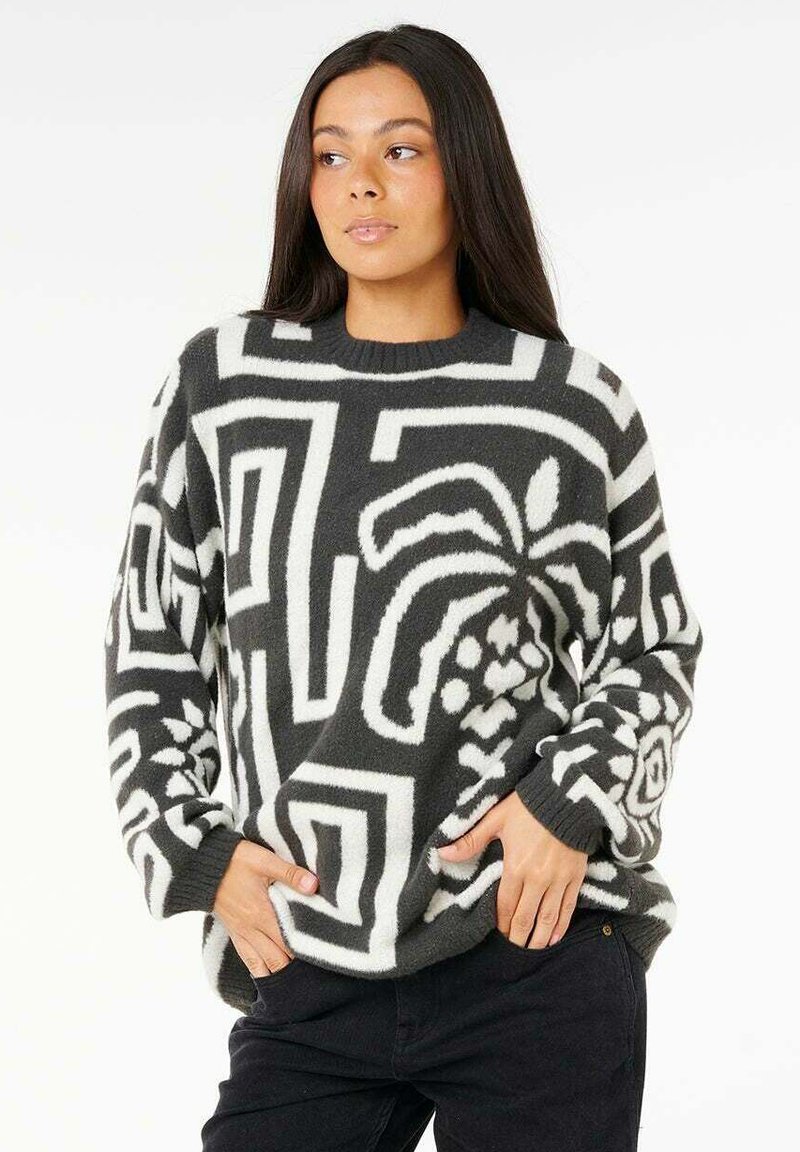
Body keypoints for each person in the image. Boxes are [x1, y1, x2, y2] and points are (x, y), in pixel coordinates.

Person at [103, 23, 704, 1152]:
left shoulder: (570, 409)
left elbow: (652, 646)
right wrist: (192, 849)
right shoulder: (225, 387)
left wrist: (565, 804)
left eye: (401, 149)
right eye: (330, 153)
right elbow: (156, 640)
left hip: (530, 949)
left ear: (464, 168)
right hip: (308, 957)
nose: (359, 182)